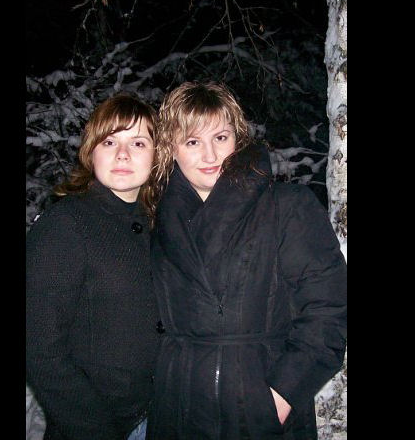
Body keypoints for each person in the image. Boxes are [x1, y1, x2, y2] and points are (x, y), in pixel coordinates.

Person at [145, 81, 347, 439]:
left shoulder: (287, 206)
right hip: (178, 408)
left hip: (258, 408)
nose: (210, 155)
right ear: (171, 149)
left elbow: (329, 309)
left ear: (237, 139)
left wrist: (280, 396)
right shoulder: (158, 219)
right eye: (193, 142)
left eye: (220, 137)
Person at [26, 93, 161, 440]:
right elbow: (40, 349)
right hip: (98, 426)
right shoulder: (65, 224)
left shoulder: (158, 226)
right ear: (91, 151)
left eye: (138, 143)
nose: (123, 154)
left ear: (156, 154)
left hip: (161, 418)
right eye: (110, 141)